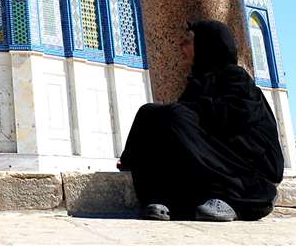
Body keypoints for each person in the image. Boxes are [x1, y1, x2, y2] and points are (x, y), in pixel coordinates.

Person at [118, 19, 284, 222]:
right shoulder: (199, 82)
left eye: (188, 41)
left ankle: (229, 200)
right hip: (214, 162)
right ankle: (162, 199)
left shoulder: (235, 79)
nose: (181, 46)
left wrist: (186, 115)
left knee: (174, 116)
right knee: (150, 113)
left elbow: (232, 126)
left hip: (246, 174)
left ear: (207, 45)